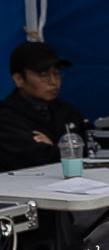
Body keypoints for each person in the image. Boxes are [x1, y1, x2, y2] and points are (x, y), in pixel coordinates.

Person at [0, 41, 85, 171]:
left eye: (57, 73)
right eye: (43, 75)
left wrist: (54, 147)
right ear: (19, 79)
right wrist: (62, 149)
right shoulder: (6, 117)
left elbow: (88, 152)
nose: (53, 81)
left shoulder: (69, 112)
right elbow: (34, 157)